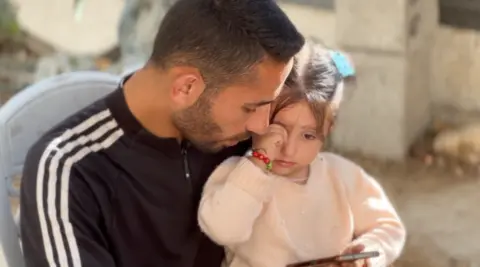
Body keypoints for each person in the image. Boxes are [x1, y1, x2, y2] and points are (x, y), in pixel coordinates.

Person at [19, 0, 305, 266]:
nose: (262, 126)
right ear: (186, 88)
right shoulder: (69, 170)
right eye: (250, 108)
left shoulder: (234, 139)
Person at [198, 43, 406, 267]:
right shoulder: (236, 175)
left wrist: (370, 251)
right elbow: (224, 231)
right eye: (276, 130)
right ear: (258, 116)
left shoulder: (342, 176)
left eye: (308, 136)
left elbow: (388, 227)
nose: (289, 149)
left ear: (328, 129)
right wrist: (259, 163)